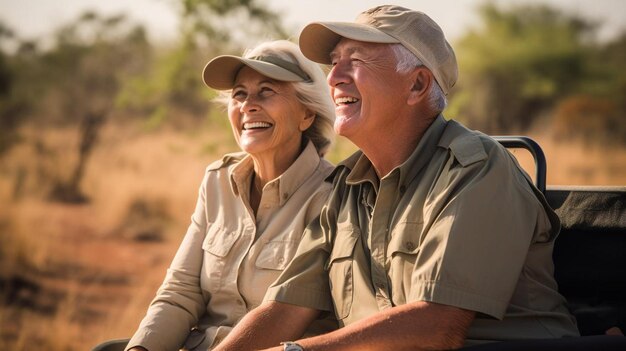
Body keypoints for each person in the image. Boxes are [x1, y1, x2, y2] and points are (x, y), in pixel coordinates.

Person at [212, 5, 580, 351]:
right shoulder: (347, 187)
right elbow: (284, 308)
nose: (334, 77)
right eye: (335, 62)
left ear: (417, 85)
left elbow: (437, 326)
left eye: (354, 62)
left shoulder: (475, 168)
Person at [118, 40, 337, 351]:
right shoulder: (217, 180)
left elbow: (285, 315)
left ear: (306, 115)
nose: (248, 105)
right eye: (239, 94)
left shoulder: (332, 195)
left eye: (266, 91)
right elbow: (181, 293)